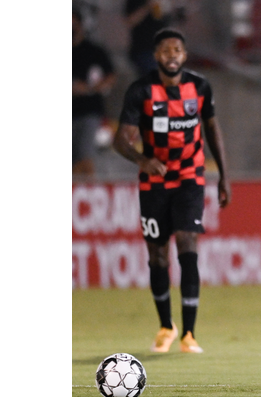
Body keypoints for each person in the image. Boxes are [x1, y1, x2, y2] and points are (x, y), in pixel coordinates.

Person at [112, 28, 231, 354]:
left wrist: (223, 175)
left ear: (184, 54)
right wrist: (142, 158)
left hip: (190, 178)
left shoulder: (200, 86)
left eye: (177, 49)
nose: (172, 55)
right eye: (165, 50)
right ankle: (166, 326)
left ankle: (189, 334)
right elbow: (120, 139)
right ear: (156, 56)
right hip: (154, 183)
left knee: (187, 241)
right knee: (157, 254)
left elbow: (212, 130)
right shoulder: (142, 90)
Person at [73, 7, 116, 177]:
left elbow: (111, 75)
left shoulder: (93, 51)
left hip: (90, 111)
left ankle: (89, 190)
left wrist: (90, 88)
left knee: (85, 155)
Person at [124, 0, 184, 76]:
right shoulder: (137, 2)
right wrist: (148, 6)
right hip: (144, 49)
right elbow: (130, 21)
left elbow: (174, 20)